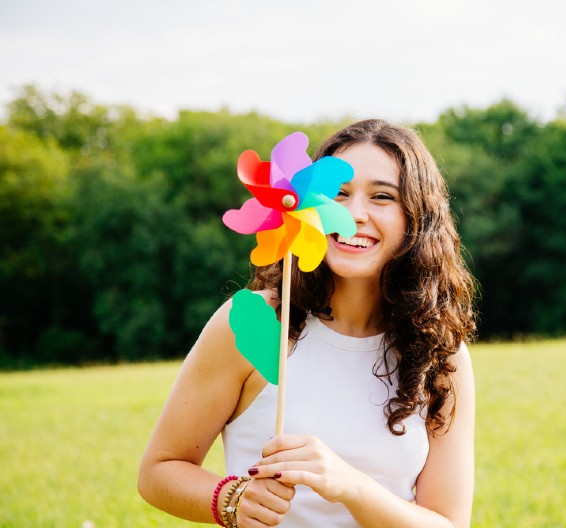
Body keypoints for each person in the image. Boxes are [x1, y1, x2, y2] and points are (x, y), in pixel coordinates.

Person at [138, 119, 477, 527]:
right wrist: (231, 499)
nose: (353, 214)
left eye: (382, 196)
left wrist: (350, 485)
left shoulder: (440, 352)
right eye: (337, 193)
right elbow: (159, 469)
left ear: (416, 219)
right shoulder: (257, 321)